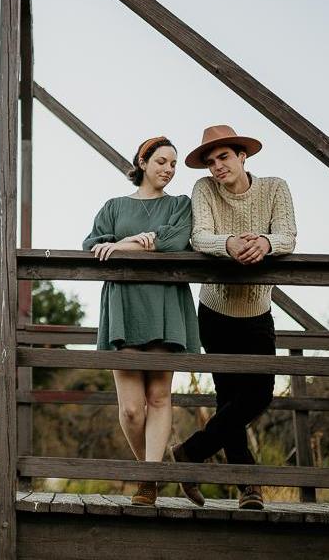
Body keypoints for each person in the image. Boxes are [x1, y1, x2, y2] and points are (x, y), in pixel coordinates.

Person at [171, 124, 297, 510]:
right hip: (215, 311)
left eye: (224, 157)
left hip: (257, 311)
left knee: (259, 395)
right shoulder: (205, 189)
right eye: (211, 162)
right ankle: (249, 487)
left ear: (243, 156)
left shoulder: (274, 188)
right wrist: (229, 243)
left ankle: (191, 452)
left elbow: (288, 236)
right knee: (229, 398)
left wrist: (265, 243)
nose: (217, 167)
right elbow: (199, 236)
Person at [83, 136, 201, 506]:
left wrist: (123, 245)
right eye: (161, 161)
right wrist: (134, 240)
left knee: (159, 397)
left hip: (165, 305)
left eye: (173, 164)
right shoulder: (114, 206)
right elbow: (93, 245)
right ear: (143, 162)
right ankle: (156, 466)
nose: (168, 169)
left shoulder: (179, 205)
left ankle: (148, 481)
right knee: (132, 409)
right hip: (124, 307)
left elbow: (174, 241)